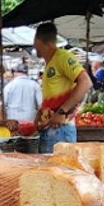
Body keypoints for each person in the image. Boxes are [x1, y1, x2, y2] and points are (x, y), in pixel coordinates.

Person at [32, 22, 91, 153]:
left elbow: (85, 82)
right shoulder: (50, 63)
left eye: (35, 42)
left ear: (39, 41)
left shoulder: (63, 57)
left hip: (60, 130)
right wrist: (40, 113)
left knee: (59, 166)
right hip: (51, 130)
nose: (34, 46)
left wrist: (61, 112)